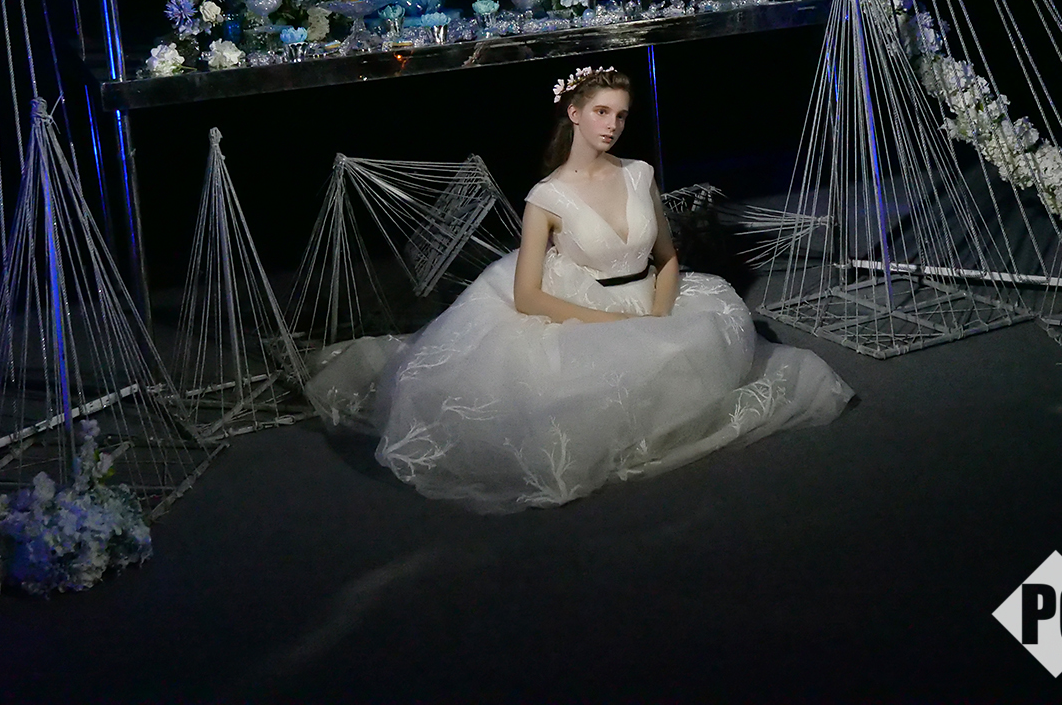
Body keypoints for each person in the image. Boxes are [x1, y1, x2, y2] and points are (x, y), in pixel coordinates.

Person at [306, 66, 854, 513]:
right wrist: (620, 326)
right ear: (574, 113)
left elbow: (667, 258)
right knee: (574, 395)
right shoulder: (546, 197)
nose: (612, 125)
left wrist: (658, 314)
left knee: (704, 341)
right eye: (601, 112)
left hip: (648, 296)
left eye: (621, 114)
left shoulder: (639, 174)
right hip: (583, 306)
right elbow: (528, 296)